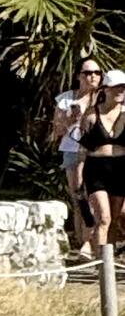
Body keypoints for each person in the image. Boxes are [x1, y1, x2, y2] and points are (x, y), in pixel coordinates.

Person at [54, 59, 105, 253]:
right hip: (73, 150)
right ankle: (84, 241)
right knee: (79, 198)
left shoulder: (105, 97)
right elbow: (57, 130)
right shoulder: (66, 99)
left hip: (99, 153)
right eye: (87, 73)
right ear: (78, 76)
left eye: (97, 72)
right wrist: (71, 118)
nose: (93, 76)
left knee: (95, 197)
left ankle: (91, 242)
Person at [78, 72, 125, 255]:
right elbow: (82, 149)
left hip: (121, 167)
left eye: (124, 87)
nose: (121, 90)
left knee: (114, 218)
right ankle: (101, 264)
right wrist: (79, 178)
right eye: (117, 87)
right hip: (96, 168)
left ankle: (109, 265)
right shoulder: (91, 115)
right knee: (103, 218)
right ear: (106, 89)